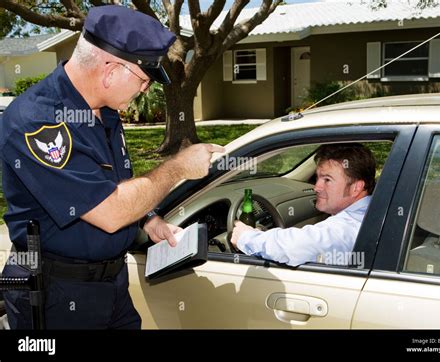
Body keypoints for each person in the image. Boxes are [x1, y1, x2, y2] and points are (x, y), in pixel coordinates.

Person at [0, 5, 224, 329]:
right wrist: (177, 167)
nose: (145, 90)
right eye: (144, 80)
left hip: (112, 285)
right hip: (58, 295)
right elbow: (110, 211)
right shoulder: (37, 121)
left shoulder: (104, 111)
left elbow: (117, 181)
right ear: (110, 70)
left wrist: (149, 219)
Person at [231, 143, 376, 267]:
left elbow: (296, 246)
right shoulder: (373, 209)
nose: (316, 187)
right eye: (317, 177)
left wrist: (245, 237)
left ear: (356, 187)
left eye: (327, 180)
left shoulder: (347, 228)